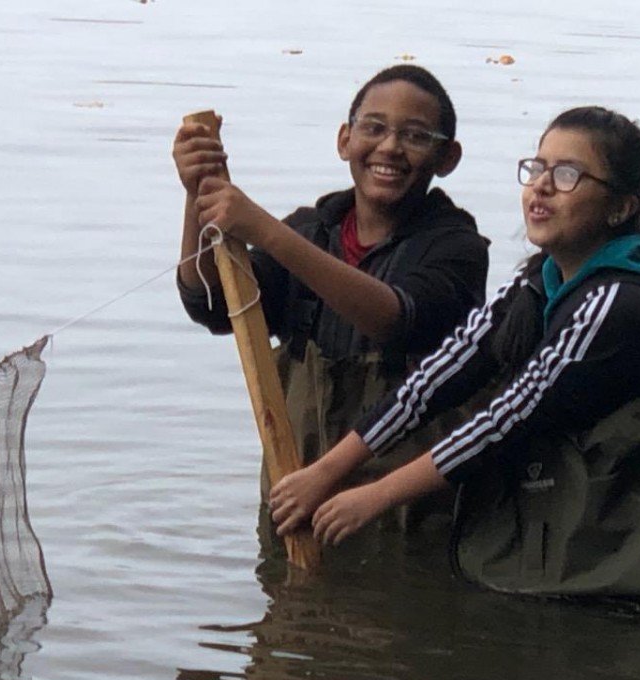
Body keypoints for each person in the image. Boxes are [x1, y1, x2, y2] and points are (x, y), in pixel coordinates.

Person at [268, 106, 640, 606]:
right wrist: (328, 471)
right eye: (537, 168)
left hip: (627, 536)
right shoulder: (537, 282)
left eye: (568, 175)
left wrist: (376, 495)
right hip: (565, 522)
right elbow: (438, 376)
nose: (542, 187)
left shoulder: (620, 302)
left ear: (620, 208)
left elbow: (508, 417)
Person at [173, 64, 489, 527]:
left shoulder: (457, 248)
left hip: (406, 520)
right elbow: (212, 305)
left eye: (416, 135)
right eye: (373, 128)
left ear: (448, 157)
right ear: (345, 139)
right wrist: (196, 195)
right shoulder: (309, 230)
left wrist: (264, 230)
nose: (390, 148)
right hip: (293, 503)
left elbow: (395, 321)